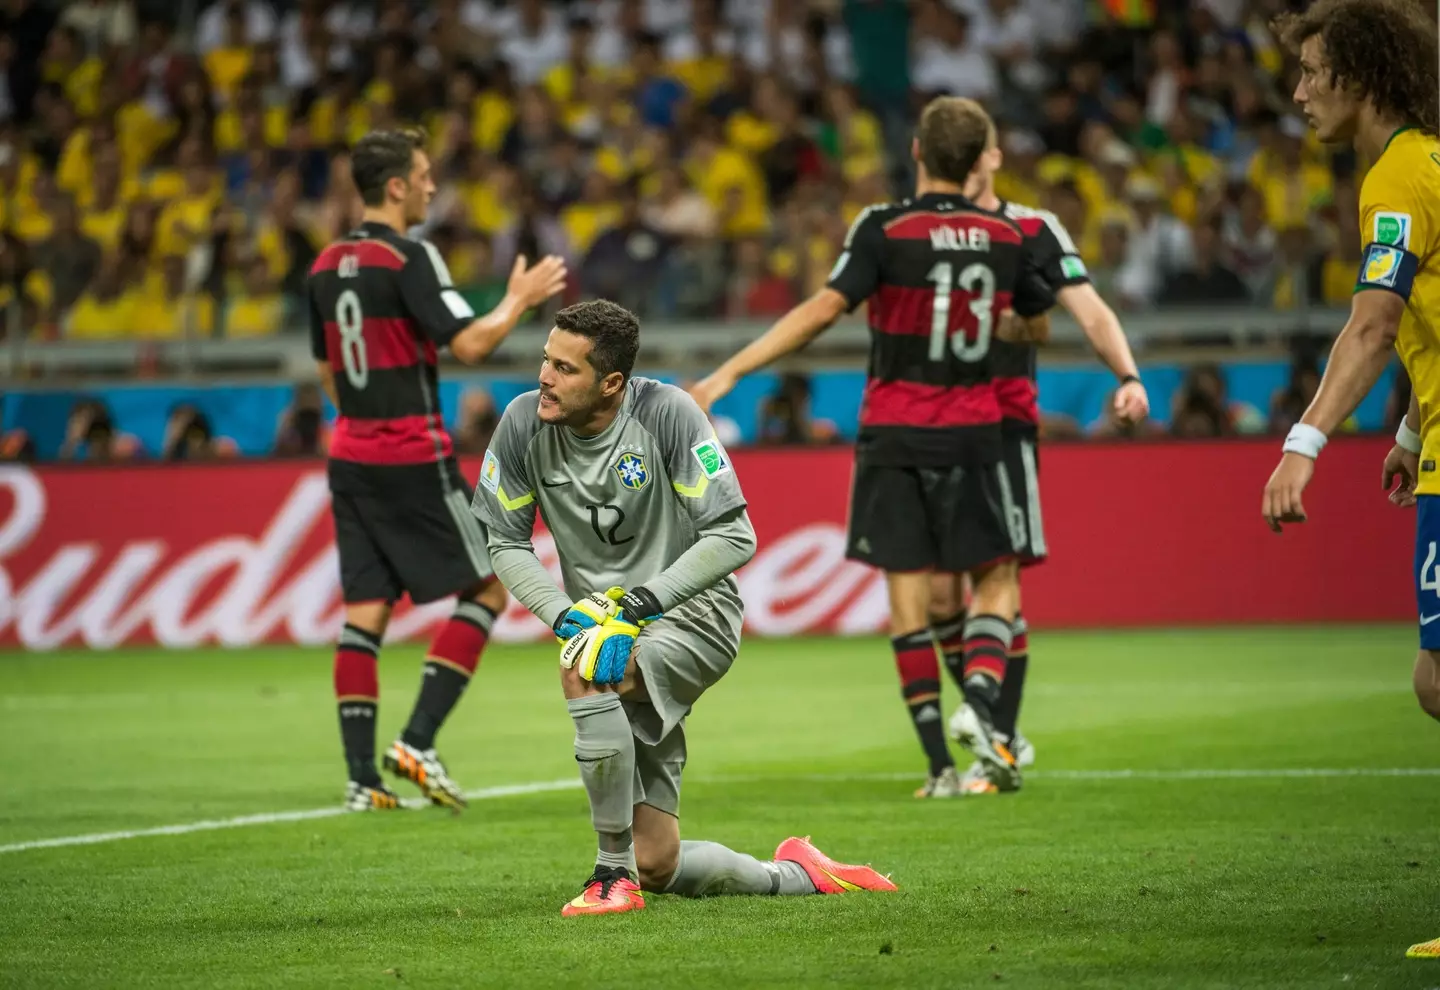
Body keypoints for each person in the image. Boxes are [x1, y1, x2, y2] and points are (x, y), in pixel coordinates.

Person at [473, 299, 896, 917]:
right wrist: (564, 615)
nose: (544, 377)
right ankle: (800, 875)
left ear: (611, 383)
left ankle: (608, 877)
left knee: (588, 665)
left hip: (693, 614)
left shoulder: (668, 414)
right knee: (661, 862)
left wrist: (639, 606)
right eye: (546, 360)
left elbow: (733, 535)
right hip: (601, 621)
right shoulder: (522, 424)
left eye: (565, 369)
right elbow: (505, 540)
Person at [689, 97, 1056, 798]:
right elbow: (1034, 323)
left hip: (894, 430)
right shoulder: (1004, 235)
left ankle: (940, 769)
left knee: (909, 599)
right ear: (979, 158)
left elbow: (825, 309)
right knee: (993, 578)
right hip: (976, 430)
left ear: (917, 152)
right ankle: (981, 709)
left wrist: (732, 370)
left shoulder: (885, 229)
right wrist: (984, 328)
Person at [306, 127, 567, 812]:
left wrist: (361, 419)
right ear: (395, 186)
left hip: (350, 456)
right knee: (487, 588)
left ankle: (362, 780)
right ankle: (418, 739)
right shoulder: (409, 258)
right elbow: (474, 343)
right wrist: (520, 299)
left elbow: (326, 371)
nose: (430, 185)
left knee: (365, 614)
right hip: (413, 456)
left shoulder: (324, 266)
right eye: (423, 175)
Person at [1252, 0, 1437, 959]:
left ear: (1360, 76)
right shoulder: (1424, 162)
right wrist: (1409, 423)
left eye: (1315, 71)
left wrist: (1306, 441)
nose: (1300, 91)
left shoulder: (1398, 173)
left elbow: (1372, 325)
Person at [929, 124, 1151, 796]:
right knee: (941, 595)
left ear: (995, 157)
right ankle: (999, 730)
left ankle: (997, 736)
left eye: (980, 149)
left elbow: (1074, 312)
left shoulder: (1033, 228)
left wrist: (1127, 373)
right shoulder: (918, 231)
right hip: (927, 430)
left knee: (995, 573)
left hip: (999, 425)